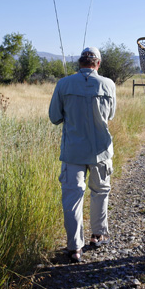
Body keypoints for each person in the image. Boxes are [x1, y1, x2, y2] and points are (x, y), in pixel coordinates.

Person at [49, 47, 116, 263]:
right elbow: (111, 115)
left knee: (72, 199)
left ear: (80, 63)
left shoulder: (63, 84)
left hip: (73, 153)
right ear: (98, 64)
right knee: (100, 192)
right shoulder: (109, 85)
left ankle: (74, 247)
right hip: (101, 151)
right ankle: (97, 235)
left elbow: (54, 117)